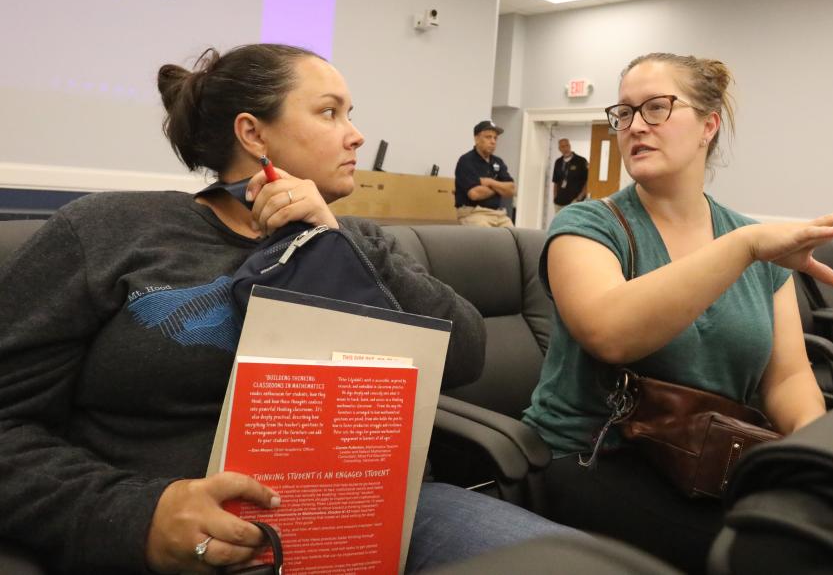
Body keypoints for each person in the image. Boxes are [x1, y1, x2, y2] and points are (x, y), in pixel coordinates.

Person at [0, 44, 579, 575]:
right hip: (188, 529)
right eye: (330, 113)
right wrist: (137, 515)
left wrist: (331, 242)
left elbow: (464, 355)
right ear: (253, 134)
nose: (355, 135)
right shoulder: (109, 231)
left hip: (376, 518)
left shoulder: (361, 239)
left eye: (351, 114)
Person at [521, 52, 833, 573]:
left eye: (656, 108)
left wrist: (811, 459)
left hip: (709, 457)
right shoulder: (588, 225)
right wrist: (743, 248)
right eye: (623, 113)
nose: (634, 127)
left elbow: (786, 376)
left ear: (708, 126)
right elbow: (611, 333)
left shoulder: (755, 242)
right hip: (593, 456)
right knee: (772, 557)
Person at [453, 120, 516, 227]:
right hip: (473, 213)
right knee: (488, 237)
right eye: (488, 137)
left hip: (498, 214)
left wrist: (490, 182)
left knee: (513, 236)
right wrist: (500, 188)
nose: (493, 141)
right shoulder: (466, 161)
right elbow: (475, 194)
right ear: (476, 139)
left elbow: (512, 190)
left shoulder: (498, 162)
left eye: (495, 138)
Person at [552, 138, 589, 211]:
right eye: (562, 146)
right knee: (560, 222)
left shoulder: (581, 161)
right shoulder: (558, 162)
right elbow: (555, 182)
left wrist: (579, 198)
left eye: (567, 145)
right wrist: (555, 197)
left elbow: (587, 181)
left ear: (570, 146)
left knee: (572, 222)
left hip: (575, 202)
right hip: (559, 202)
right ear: (559, 149)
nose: (565, 148)